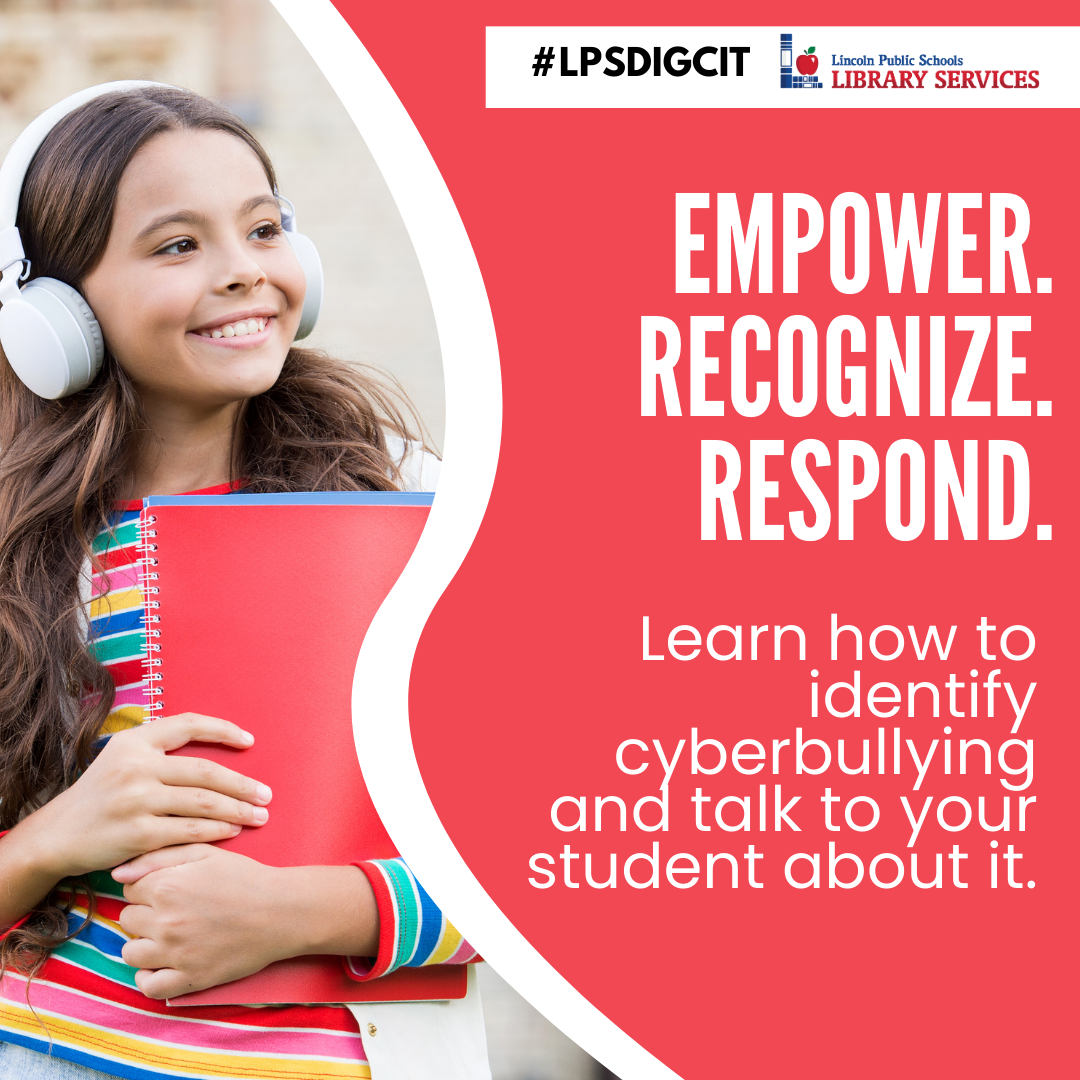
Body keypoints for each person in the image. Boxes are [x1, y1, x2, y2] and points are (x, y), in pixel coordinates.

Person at [0, 84, 488, 1080]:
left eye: (263, 230)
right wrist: (54, 839)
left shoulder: (413, 515)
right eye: (178, 246)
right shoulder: (18, 554)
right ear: (53, 313)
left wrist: (301, 912)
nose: (243, 274)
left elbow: (569, 866)